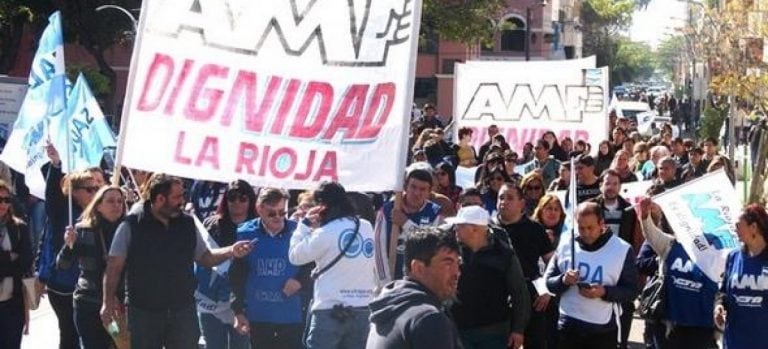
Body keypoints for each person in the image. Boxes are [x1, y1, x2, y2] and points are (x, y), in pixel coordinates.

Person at [101, 174, 253, 348]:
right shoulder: (131, 225)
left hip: (182, 310)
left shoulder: (187, 223)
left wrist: (231, 251)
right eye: (177, 197)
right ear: (159, 199)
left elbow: (206, 258)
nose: (183, 201)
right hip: (144, 312)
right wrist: (107, 301)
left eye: (183, 195)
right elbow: (114, 266)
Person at [289, 181, 376, 349]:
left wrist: (304, 226)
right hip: (362, 309)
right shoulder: (366, 227)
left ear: (322, 206)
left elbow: (294, 256)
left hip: (329, 311)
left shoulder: (325, 233)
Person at [544, 202, 639, 349]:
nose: (586, 233)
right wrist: (563, 280)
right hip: (567, 325)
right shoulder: (566, 245)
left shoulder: (622, 249)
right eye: (581, 228)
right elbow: (549, 283)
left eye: (590, 227)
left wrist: (605, 292)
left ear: (602, 223)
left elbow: (631, 291)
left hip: (602, 330)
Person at [37, 144, 100, 349]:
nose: (96, 192)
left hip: (91, 287)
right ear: (75, 192)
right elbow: (51, 195)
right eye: (90, 189)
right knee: (70, 333)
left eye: (97, 188)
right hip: (63, 285)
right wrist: (56, 164)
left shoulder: (98, 212)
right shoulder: (61, 209)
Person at [635, 197, 718, 349]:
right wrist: (645, 216)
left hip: (702, 326)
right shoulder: (671, 244)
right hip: (669, 324)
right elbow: (651, 234)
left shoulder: (719, 252)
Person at [231, 187, 308, 348]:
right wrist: (238, 310)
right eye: (272, 213)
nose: (278, 217)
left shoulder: (298, 232)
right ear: (259, 209)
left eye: (282, 212)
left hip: (291, 314)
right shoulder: (245, 232)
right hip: (259, 314)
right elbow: (237, 274)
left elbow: (313, 266)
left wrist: (300, 281)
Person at [448, 206, 531, 349]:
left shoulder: (504, 255)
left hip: (495, 333)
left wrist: (518, 330)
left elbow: (519, 293)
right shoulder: (451, 252)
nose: (455, 229)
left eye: (460, 225)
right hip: (458, 329)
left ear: (474, 229)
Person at [366, 227, 463, 349]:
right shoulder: (428, 318)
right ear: (418, 268)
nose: (457, 272)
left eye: (458, 263)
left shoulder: (390, 308)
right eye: (447, 263)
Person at [56, 186, 126, 349]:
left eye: (120, 201)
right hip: (89, 305)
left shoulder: (128, 231)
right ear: (98, 206)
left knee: (120, 344)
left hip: (118, 309)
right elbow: (62, 265)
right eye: (110, 201)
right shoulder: (83, 230)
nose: (116, 205)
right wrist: (69, 245)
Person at [196, 180, 257, 349]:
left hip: (244, 300)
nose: (236, 202)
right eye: (232, 197)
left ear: (251, 200)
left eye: (242, 198)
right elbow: (201, 256)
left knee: (242, 345)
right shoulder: (211, 223)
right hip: (211, 297)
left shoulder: (258, 227)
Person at [493, 184, 554, 349]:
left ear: (522, 203)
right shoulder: (489, 230)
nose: (504, 202)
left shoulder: (535, 229)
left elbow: (552, 262)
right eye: (501, 198)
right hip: (498, 296)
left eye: (510, 198)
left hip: (532, 294)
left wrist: (547, 290)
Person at [587, 170, 641, 349]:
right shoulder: (589, 208)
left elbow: (635, 238)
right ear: (601, 184)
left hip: (620, 264)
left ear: (620, 186)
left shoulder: (629, 210)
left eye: (615, 184)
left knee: (624, 306)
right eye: (607, 183)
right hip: (595, 262)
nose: (611, 187)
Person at [374, 169, 442, 285]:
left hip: (419, 283)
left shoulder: (433, 213)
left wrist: (406, 224)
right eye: (413, 187)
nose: (417, 193)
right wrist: (385, 282)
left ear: (429, 192)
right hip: (390, 279)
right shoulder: (387, 210)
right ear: (405, 187)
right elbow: (378, 248)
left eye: (422, 189)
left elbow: (430, 245)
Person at [716, 204, 768, 349]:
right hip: (735, 341)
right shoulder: (733, 256)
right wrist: (719, 306)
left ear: (754, 227)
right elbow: (723, 291)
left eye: (739, 225)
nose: (735, 229)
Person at [0, 180, 32, 349]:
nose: (3, 204)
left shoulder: (19, 227)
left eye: (7, 200)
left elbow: (25, 262)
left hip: (12, 302)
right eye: (0, 199)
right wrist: (9, 258)